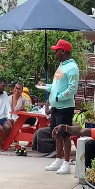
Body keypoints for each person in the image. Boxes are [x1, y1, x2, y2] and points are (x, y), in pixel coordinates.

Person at [37, 39, 79, 175]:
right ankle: (58, 160)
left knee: (65, 134)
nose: (55, 52)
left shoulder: (72, 68)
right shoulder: (62, 66)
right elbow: (57, 86)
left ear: (63, 51)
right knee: (56, 134)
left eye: (57, 50)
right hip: (56, 107)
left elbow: (72, 89)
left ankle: (66, 163)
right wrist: (46, 87)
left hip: (65, 107)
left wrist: (57, 98)